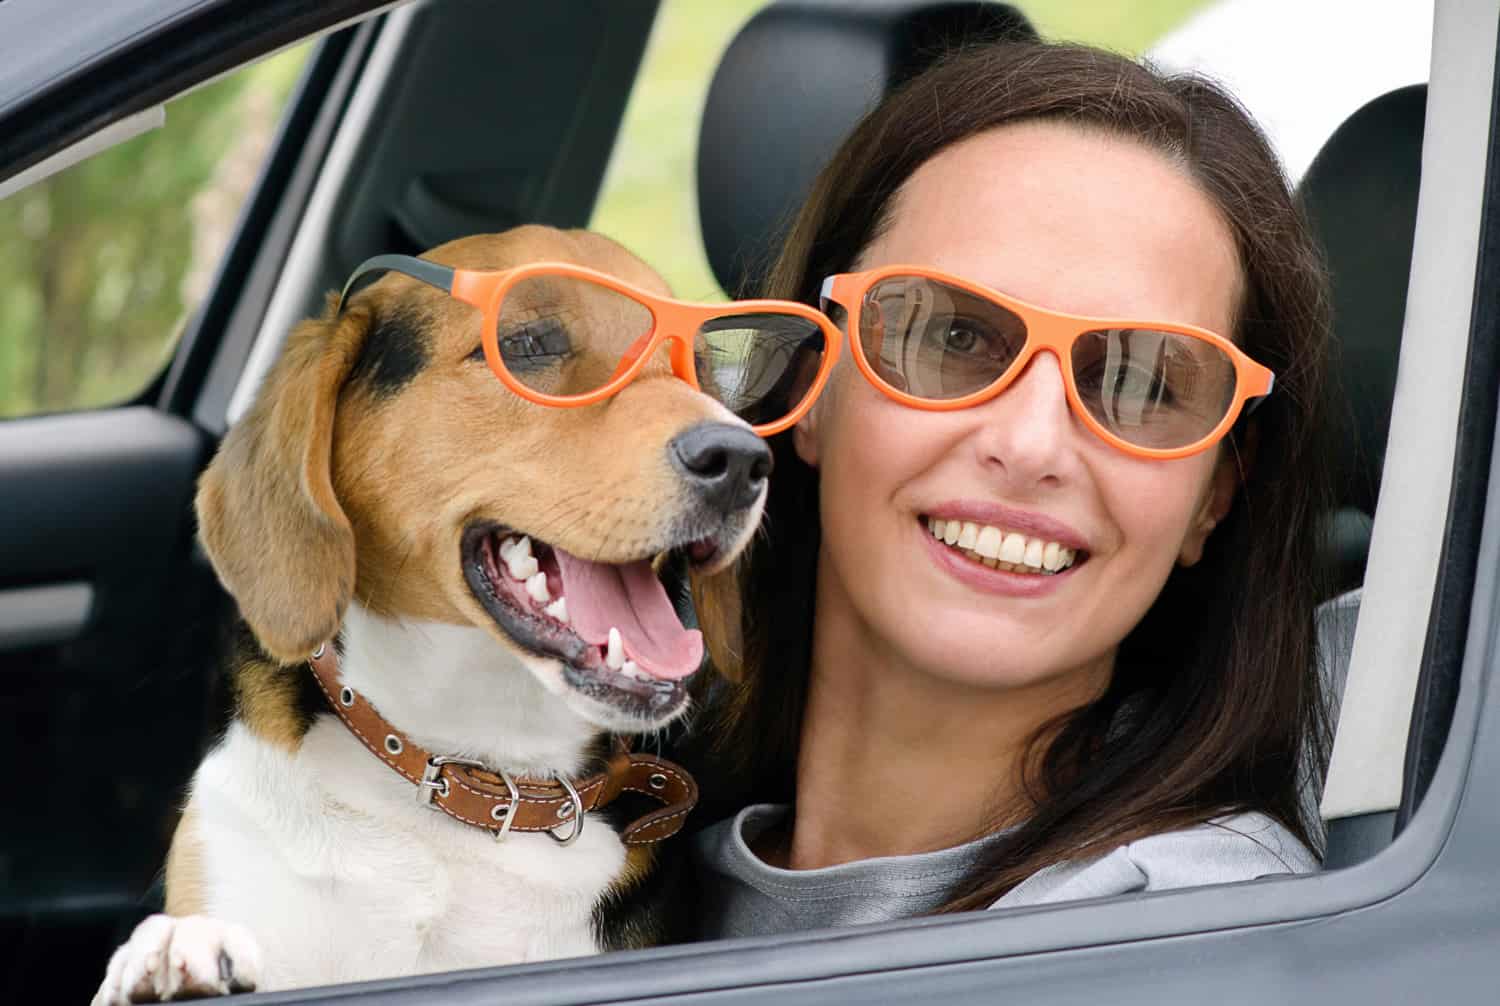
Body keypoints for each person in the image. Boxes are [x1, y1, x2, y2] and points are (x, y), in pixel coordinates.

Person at [684, 38, 1335, 938]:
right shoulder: (598, 847)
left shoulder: (1200, 928)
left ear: (1216, 492)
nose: (1031, 446)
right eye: (952, 336)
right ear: (808, 383)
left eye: (1141, 383)